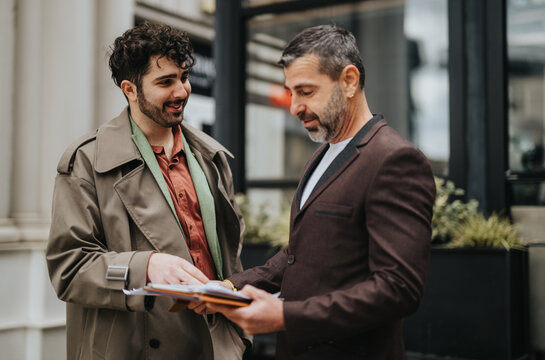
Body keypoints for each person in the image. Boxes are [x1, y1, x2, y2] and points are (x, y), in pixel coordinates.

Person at [206, 25, 436, 360]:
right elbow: (301, 254)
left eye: (306, 91)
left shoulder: (395, 160)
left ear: (349, 81)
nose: (294, 107)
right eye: (291, 92)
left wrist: (286, 316)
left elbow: (398, 289)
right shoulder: (320, 155)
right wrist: (228, 288)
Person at [46, 21, 248, 360]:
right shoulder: (86, 161)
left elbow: (230, 256)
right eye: (165, 82)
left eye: (183, 77)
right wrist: (146, 266)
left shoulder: (212, 158)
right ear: (130, 89)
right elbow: (69, 268)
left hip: (217, 348)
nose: (182, 91)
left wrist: (237, 340)